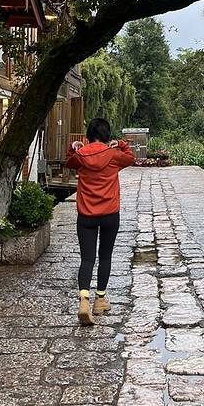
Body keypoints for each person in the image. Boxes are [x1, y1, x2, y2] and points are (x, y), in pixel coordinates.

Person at [65, 118, 135, 326]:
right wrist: (120, 144)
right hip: (109, 214)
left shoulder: (81, 155)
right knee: (105, 256)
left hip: (86, 215)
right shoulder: (113, 155)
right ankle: (100, 300)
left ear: (88, 136)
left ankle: (84, 301)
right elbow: (130, 158)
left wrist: (73, 147)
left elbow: (69, 162)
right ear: (106, 136)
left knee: (87, 259)